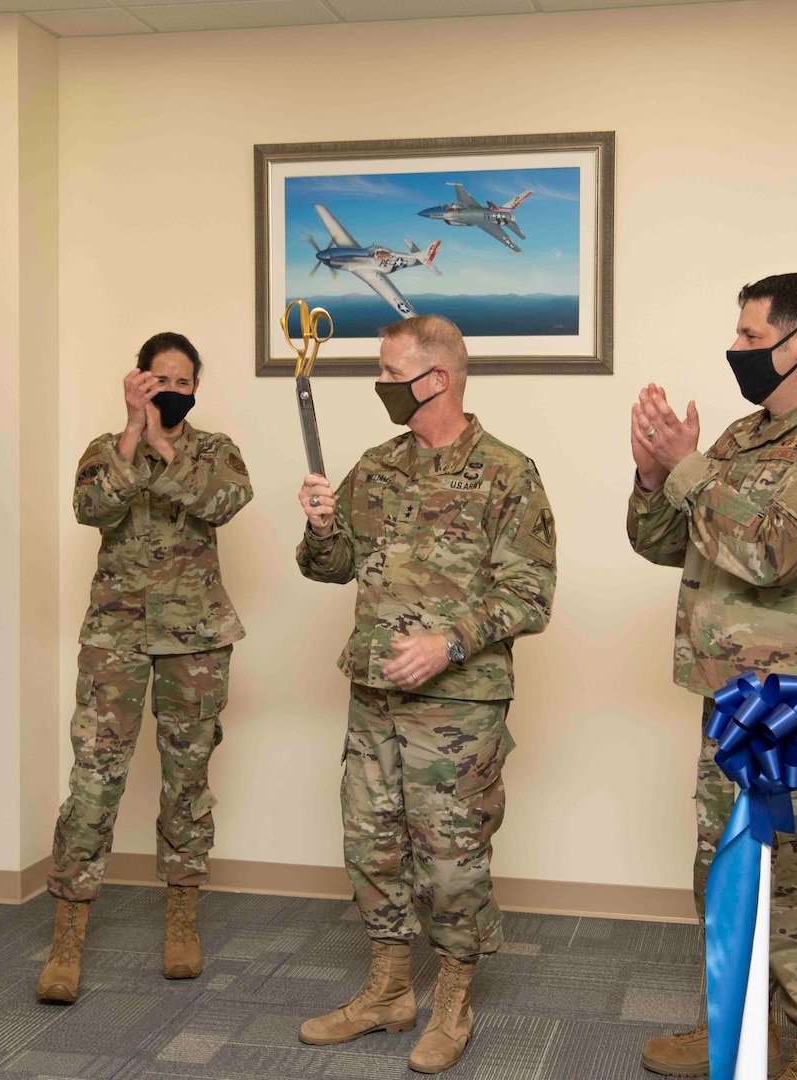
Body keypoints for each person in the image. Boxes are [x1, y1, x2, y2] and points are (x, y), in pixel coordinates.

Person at [628, 274, 797, 1079]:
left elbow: (770, 551)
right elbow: (664, 541)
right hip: (733, 699)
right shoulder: (745, 440)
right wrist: (653, 473)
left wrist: (689, 469)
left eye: (750, 337)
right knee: (729, 871)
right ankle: (742, 1030)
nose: (737, 350)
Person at [294, 315, 556, 1075]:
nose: (379, 384)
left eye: (388, 371)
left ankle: (452, 1001)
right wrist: (318, 526)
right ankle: (385, 992)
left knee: (451, 859)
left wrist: (448, 643)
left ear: (435, 378)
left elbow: (531, 595)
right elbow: (330, 565)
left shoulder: (509, 473)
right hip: (373, 693)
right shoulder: (376, 467)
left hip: (460, 705)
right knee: (371, 846)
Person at [37, 332, 252, 1004]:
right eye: (159, 379)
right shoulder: (105, 450)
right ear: (137, 381)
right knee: (94, 781)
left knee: (187, 780)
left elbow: (225, 503)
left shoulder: (214, 451)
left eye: (183, 381)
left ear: (196, 388)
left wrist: (166, 449)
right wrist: (134, 437)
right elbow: (90, 509)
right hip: (116, 638)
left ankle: (181, 920)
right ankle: (68, 934)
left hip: (196, 638)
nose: (172, 390)